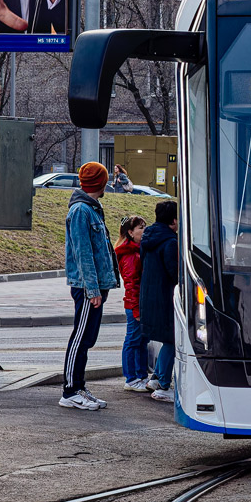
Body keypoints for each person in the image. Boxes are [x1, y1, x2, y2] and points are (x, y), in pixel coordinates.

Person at [60, 162, 120, 411]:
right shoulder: (81, 211)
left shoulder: (91, 208)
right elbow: (83, 253)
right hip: (88, 288)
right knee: (81, 338)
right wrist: (92, 290)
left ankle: (79, 387)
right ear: (101, 183)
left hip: (94, 286)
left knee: (87, 338)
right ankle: (70, 391)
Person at [139, 200, 179, 403]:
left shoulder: (148, 238)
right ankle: (163, 384)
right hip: (165, 298)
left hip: (149, 296)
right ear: (173, 220)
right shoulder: (170, 242)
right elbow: (174, 273)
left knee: (167, 338)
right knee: (172, 339)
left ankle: (155, 379)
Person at [115, 216, 148, 393]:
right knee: (133, 341)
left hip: (139, 303)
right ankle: (131, 378)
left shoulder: (137, 250)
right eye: (140, 228)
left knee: (141, 341)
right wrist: (136, 309)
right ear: (130, 232)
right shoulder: (130, 254)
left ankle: (141, 375)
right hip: (135, 305)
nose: (144, 230)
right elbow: (131, 284)